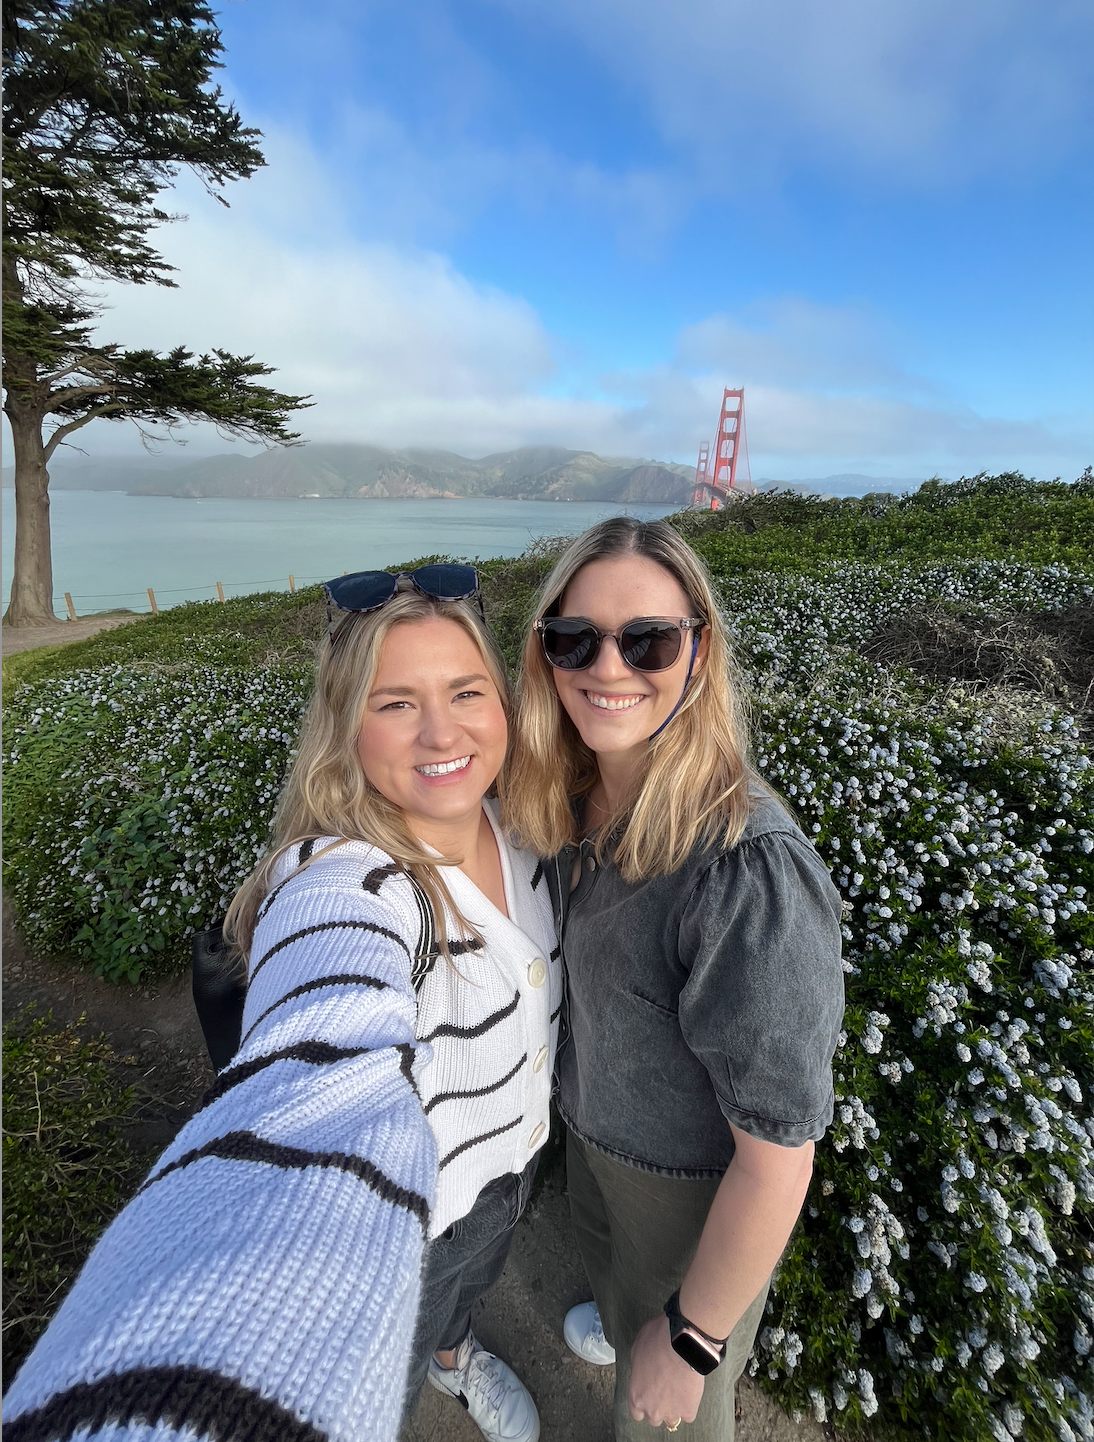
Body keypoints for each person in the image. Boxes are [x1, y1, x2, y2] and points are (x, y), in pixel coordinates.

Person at [4, 567, 559, 1442]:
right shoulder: (345, 882)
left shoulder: (527, 829)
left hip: (511, 1166)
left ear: (506, 703)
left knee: (472, 1284)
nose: (441, 731)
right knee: (401, 1347)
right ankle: (429, 1372)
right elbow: (314, 1082)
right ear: (344, 726)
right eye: (395, 704)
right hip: (407, 1223)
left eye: (465, 691)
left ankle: (458, 1358)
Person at [503, 519, 846, 1440]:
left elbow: (779, 1155)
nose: (607, 668)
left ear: (698, 652)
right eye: (574, 639)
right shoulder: (572, 797)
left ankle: (669, 1352)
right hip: (596, 1144)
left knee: (671, 1414)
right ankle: (627, 1324)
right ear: (544, 654)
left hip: (692, 1195)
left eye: (646, 639)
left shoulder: (747, 871)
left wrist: (694, 1339)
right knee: (620, 1297)